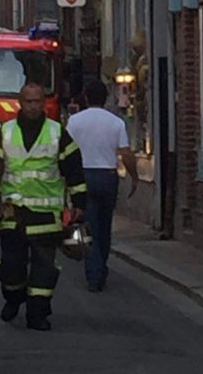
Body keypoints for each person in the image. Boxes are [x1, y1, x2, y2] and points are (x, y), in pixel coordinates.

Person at [0, 83, 87, 331]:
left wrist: (79, 204)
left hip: (46, 216)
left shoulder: (57, 132)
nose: (33, 106)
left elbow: (74, 169)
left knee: (44, 269)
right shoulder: (5, 133)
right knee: (12, 267)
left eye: (37, 101)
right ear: (20, 102)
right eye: (28, 101)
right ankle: (13, 298)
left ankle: (37, 314)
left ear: (43, 102)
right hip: (12, 215)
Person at [66, 79, 138, 292]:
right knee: (104, 225)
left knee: (89, 225)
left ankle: (94, 273)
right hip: (107, 175)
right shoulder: (116, 122)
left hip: (84, 174)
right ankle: (101, 266)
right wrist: (134, 177)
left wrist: (65, 181)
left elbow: (67, 153)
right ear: (106, 98)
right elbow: (125, 153)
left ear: (86, 97)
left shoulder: (75, 122)